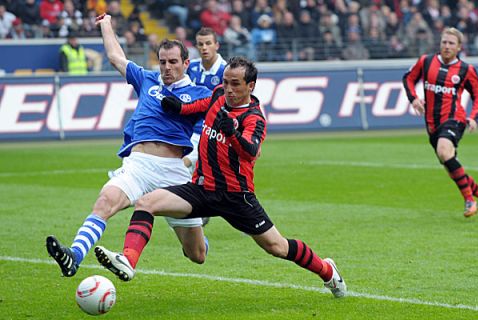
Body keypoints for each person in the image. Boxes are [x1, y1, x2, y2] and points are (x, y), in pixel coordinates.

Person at [94, 56, 347, 298]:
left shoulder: (254, 118)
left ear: (251, 86)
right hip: (202, 189)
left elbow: (251, 152)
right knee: (146, 203)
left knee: (277, 247)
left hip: (236, 197)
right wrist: (180, 107)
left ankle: (327, 270)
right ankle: (128, 259)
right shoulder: (217, 95)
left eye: (235, 84)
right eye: (225, 82)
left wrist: (234, 134)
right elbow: (199, 105)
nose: (228, 88)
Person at [45, 13, 212, 278]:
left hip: (174, 171)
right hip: (138, 164)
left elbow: (206, 133)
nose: (167, 67)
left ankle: (200, 233)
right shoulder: (147, 79)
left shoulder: (200, 95)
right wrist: (106, 24)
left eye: (173, 62)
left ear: (186, 64)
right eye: (162, 62)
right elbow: (116, 58)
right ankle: (74, 256)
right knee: (105, 201)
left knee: (196, 255)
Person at [403, 27, 478, 218]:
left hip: (454, 118)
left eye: (451, 43)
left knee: (444, 151)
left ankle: (470, 200)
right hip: (432, 124)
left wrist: (474, 116)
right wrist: (413, 98)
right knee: (449, 165)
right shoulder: (426, 61)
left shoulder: (465, 70)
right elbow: (408, 79)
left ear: (459, 47)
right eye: (444, 42)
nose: (446, 46)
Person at [186, 27, 227, 226]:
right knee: (188, 166)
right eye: (200, 44)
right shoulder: (191, 68)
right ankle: (199, 210)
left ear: (216, 45)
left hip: (216, 131)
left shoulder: (226, 71)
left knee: (228, 176)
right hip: (193, 130)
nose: (204, 48)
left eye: (208, 43)